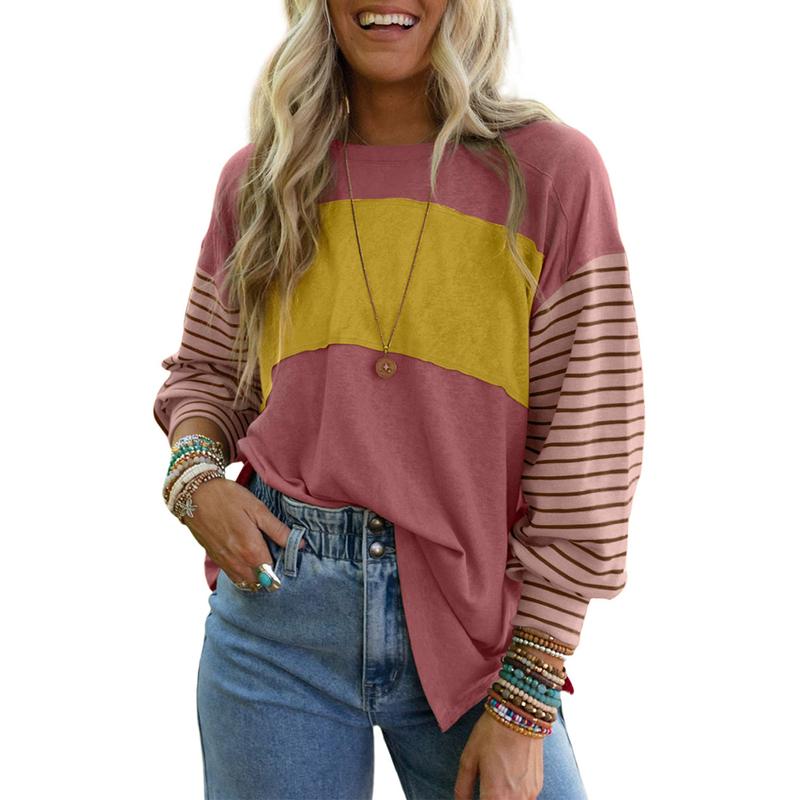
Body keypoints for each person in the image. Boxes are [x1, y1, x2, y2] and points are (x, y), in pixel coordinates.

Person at [153, 1, 645, 798]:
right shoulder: (263, 180)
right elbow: (209, 374)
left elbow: (589, 449)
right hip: (277, 618)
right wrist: (194, 479)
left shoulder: (551, 175)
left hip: (476, 635)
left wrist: (526, 697)